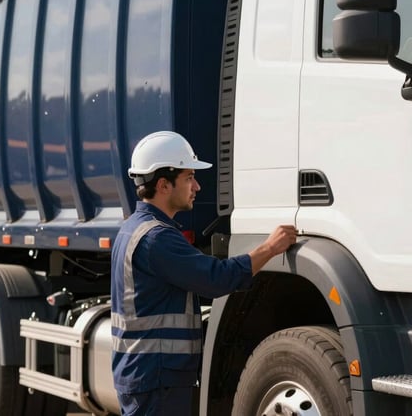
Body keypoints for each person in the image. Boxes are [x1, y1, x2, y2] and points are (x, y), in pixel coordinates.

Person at [110, 131, 297, 415]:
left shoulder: (132, 228)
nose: (196, 186)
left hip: (146, 374)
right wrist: (269, 248)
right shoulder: (156, 239)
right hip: (158, 378)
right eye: (188, 178)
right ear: (163, 184)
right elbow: (216, 278)